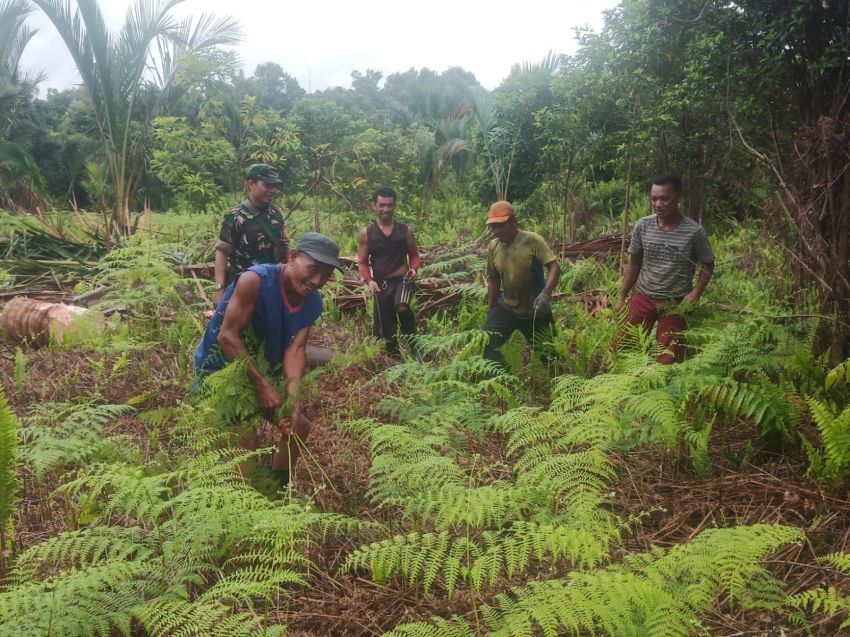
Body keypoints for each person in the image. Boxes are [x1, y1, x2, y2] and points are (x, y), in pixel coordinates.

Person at [195, 232, 343, 486]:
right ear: (293, 257)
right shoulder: (256, 280)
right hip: (222, 370)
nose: (317, 281)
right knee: (246, 439)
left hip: (262, 370)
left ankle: (275, 492)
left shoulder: (313, 302)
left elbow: (296, 351)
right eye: (313, 269)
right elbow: (227, 337)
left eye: (326, 274)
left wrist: (293, 402)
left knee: (299, 428)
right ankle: (247, 503)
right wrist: (263, 386)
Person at [614, 175, 715, 364]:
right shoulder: (643, 226)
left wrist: (696, 293)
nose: (658, 204)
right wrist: (622, 296)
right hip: (642, 296)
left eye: (664, 198)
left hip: (675, 302)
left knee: (669, 358)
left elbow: (708, 263)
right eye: (654, 199)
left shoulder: (694, 232)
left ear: (678, 197)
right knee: (623, 347)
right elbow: (634, 263)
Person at [483, 201, 560, 370]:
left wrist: (546, 293)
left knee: (550, 359)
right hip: (507, 307)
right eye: (493, 227)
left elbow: (554, 266)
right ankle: (505, 381)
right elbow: (493, 279)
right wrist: (490, 309)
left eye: (500, 226)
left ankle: (561, 389)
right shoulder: (493, 247)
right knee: (487, 343)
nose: (496, 231)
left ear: (512, 221)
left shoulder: (532, 240)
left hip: (535, 310)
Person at [357, 186, 422, 358]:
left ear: (395, 206)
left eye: (390, 205)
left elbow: (414, 255)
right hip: (381, 284)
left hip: (402, 280)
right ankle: (396, 360)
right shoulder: (367, 233)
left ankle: (415, 347)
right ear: (374, 206)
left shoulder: (405, 230)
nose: (386, 209)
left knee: (402, 306)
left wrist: (414, 269)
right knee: (385, 329)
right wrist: (369, 280)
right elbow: (362, 262)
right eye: (382, 205)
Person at [213, 163, 290, 306]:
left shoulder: (276, 213)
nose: (272, 190)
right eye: (267, 185)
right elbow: (222, 252)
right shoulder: (235, 216)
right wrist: (219, 289)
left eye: (274, 186)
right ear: (251, 184)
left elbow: (284, 244)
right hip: (245, 288)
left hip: (274, 286)